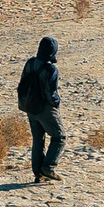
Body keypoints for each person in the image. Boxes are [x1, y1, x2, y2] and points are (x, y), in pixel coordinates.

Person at [17, 37, 64, 183]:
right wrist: (56, 103)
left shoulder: (30, 63)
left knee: (38, 139)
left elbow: (22, 81)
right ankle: (48, 167)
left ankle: (38, 172)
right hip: (44, 108)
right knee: (59, 137)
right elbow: (51, 93)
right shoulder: (51, 69)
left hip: (29, 106)